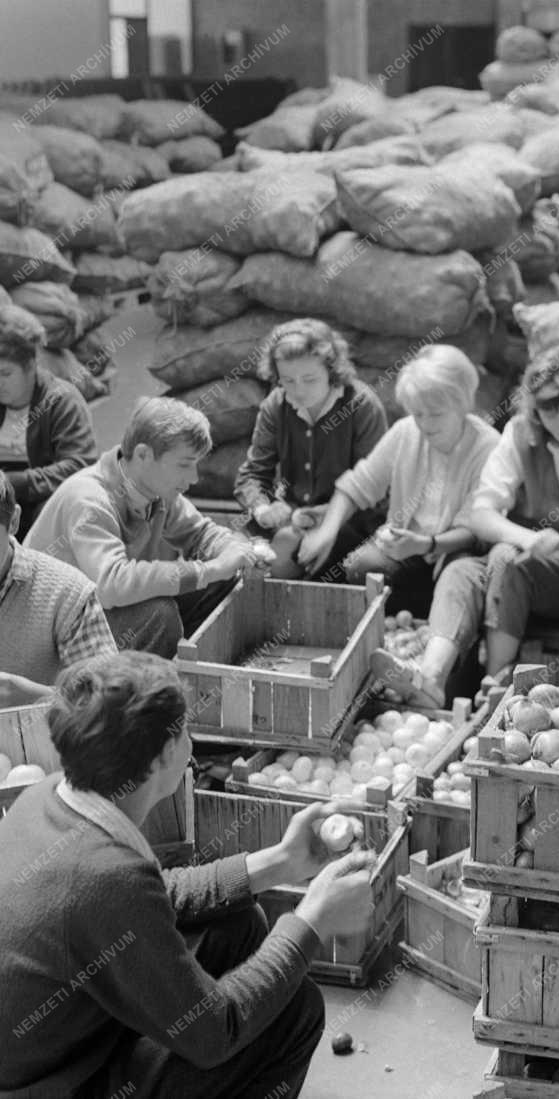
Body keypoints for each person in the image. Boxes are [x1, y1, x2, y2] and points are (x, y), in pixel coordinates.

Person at [0, 650, 375, 1098]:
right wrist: (311, 920)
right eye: (183, 731)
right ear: (160, 757)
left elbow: (155, 895)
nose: (192, 741)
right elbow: (217, 1033)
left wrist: (282, 862)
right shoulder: (102, 878)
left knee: (237, 926)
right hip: (59, 1083)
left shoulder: (47, 797)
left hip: (67, 1037)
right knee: (296, 1010)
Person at [372, 343, 559, 707]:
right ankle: (432, 679)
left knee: (505, 557)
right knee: (459, 571)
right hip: (517, 558)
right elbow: (481, 514)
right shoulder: (520, 434)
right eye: (549, 410)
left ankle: (495, 685)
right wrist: (531, 540)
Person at [25, 397, 262, 658]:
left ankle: (193, 671)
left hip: (99, 612)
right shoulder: (89, 499)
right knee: (158, 615)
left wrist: (238, 552)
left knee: (221, 580)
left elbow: (201, 533)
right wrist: (208, 569)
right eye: (184, 464)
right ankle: (125, 693)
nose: (193, 478)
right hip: (52, 635)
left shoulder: (157, 491)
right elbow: (110, 585)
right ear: (142, 455)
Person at [296, 344, 500, 614]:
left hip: (452, 556)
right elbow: (359, 485)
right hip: (402, 548)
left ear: (462, 404)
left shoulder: (488, 446)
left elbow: (475, 528)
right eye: (418, 414)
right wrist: (326, 532)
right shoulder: (406, 432)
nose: (425, 424)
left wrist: (426, 544)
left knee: (381, 571)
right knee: (345, 557)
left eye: (436, 414)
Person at [234, 317, 388, 581]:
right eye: (288, 380)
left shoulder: (361, 406)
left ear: (332, 370)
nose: (299, 390)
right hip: (293, 518)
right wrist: (263, 509)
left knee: (288, 549)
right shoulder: (276, 405)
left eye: (309, 379)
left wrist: (324, 516)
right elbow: (252, 475)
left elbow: (376, 489)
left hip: (351, 524)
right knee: (235, 552)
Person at [0, 470, 116, 707]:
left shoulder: (68, 594)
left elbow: (108, 701)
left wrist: (34, 696)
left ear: (13, 522)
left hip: (31, 740)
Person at [0, 303, 97, 531]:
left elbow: (79, 465)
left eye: (5, 374)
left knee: (54, 510)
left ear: (31, 366)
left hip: (37, 507)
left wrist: (15, 482)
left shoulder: (62, 401)